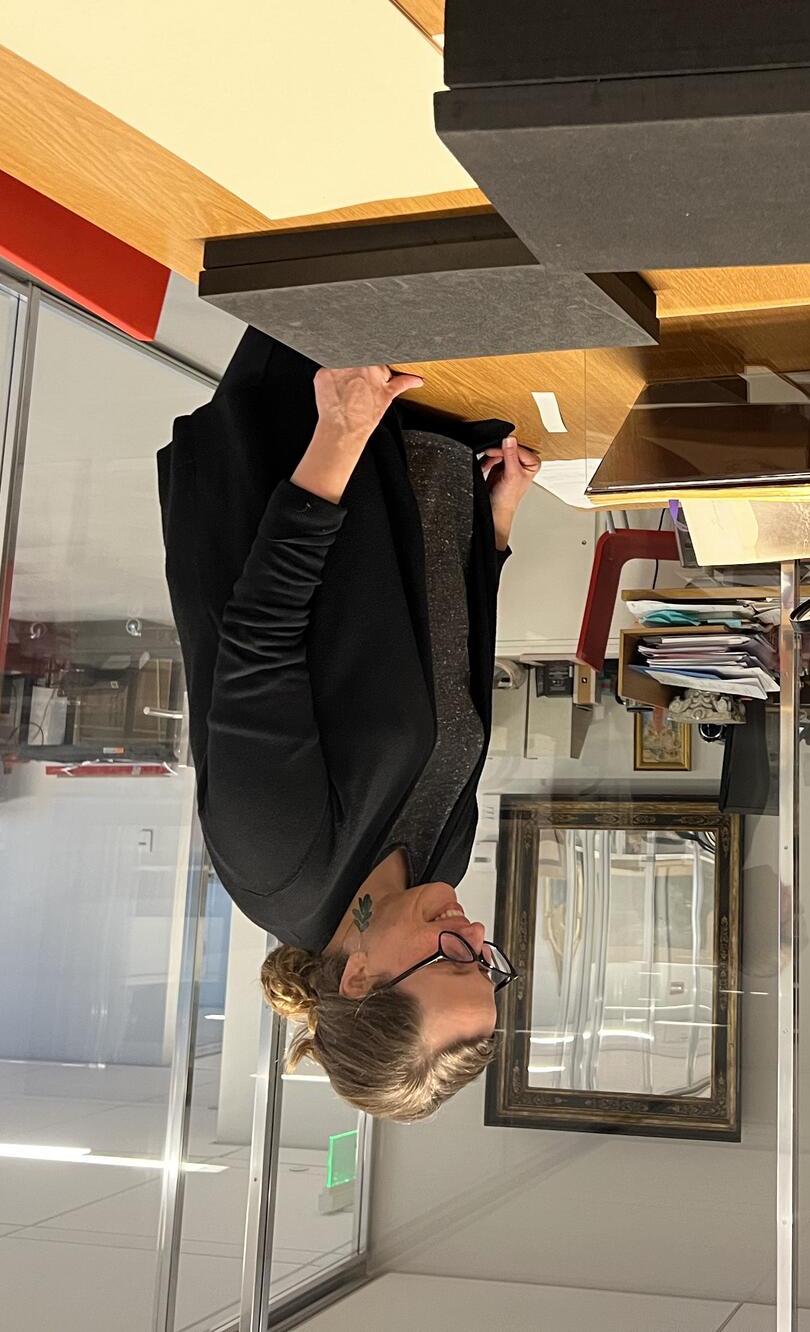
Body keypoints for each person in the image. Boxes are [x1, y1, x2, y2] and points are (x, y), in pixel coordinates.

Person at [159, 328, 540, 1118]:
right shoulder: (441, 866)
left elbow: (260, 637)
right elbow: (450, 678)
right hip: (417, 460)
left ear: (360, 980)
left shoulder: (277, 864)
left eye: (453, 962)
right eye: (487, 963)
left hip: (316, 437)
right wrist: (493, 533)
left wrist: (340, 428)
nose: (471, 933)